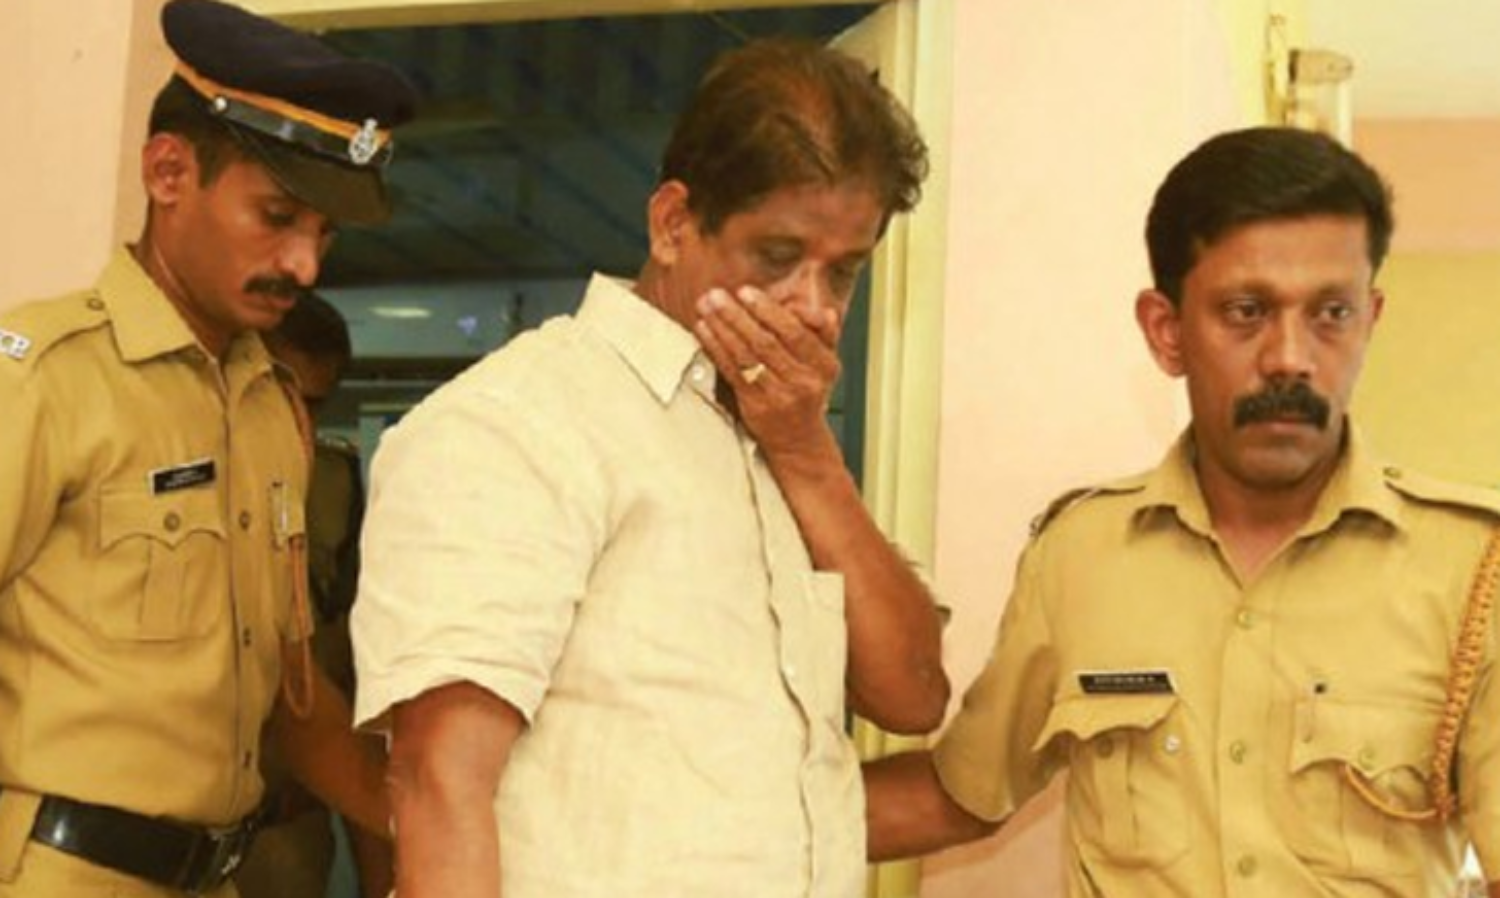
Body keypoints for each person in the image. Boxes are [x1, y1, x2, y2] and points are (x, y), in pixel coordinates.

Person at [352, 38, 950, 898]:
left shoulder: (778, 441)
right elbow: (437, 783)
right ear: (672, 225)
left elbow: (915, 697)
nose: (816, 308)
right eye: (777, 257)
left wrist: (806, 454)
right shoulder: (518, 422)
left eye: (843, 273)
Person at [864, 125, 1500, 897]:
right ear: (1167, 332)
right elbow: (961, 791)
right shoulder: (1081, 556)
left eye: (1331, 313)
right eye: (1246, 310)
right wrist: (737, 804)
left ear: (1369, 321)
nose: (1290, 357)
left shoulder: (1473, 570)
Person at [0, 1, 416, 895]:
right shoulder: (41, 380)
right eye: (277, 216)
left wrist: (435, 825)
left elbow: (288, 693)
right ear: (168, 172)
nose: (304, 266)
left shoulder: (270, 409)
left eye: (324, 235)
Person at [238, 292, 393, 898]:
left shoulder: (333, 485)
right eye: (283, 396)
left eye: (315, 403)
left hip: (288, 830)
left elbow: (354, 682)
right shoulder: (180, 469)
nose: (298, 422)